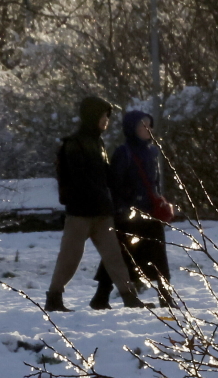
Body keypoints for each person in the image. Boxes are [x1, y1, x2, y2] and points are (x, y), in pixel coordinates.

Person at [45, 96, 147, 311]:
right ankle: (54, 298)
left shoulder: (97, 142)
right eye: (104, 116)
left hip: (101, 212)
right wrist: (103, 193)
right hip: (80, 213)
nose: (106, 121)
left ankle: (129, 296)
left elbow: (105, 175)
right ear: (93, 116)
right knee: (70, 258)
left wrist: (122, 188)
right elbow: (80, 178)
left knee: (114, 256)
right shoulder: (74, 143)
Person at [93, 109, 174, 309]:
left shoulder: (152, 151)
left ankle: (165, 296)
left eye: (149, 125)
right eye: (142, 126)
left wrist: (158, 201)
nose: (147, 129)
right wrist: (122, 209)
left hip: (150, 212)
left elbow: (154, 183)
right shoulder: (124, 152)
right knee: (122, 254)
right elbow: (115, 183)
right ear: (132, 129)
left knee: (158, 255)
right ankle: (101, 296)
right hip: (129, 214)